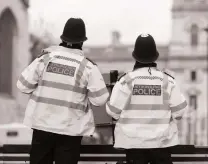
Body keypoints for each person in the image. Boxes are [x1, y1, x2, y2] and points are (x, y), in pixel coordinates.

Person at [17, 18, 109, 164]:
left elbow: (22, 85)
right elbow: (100, 100)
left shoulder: (44, 59)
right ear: (82, 41)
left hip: (42, 127)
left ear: (62, 38)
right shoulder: (88, 67)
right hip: (70, 131)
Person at [106, 34, 188, 164]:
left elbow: (113, 112)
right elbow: (179, 112)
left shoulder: (125, 81)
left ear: (135, 56)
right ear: (155, 56)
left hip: (134, 145)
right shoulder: (167, 80)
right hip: (162, 144)